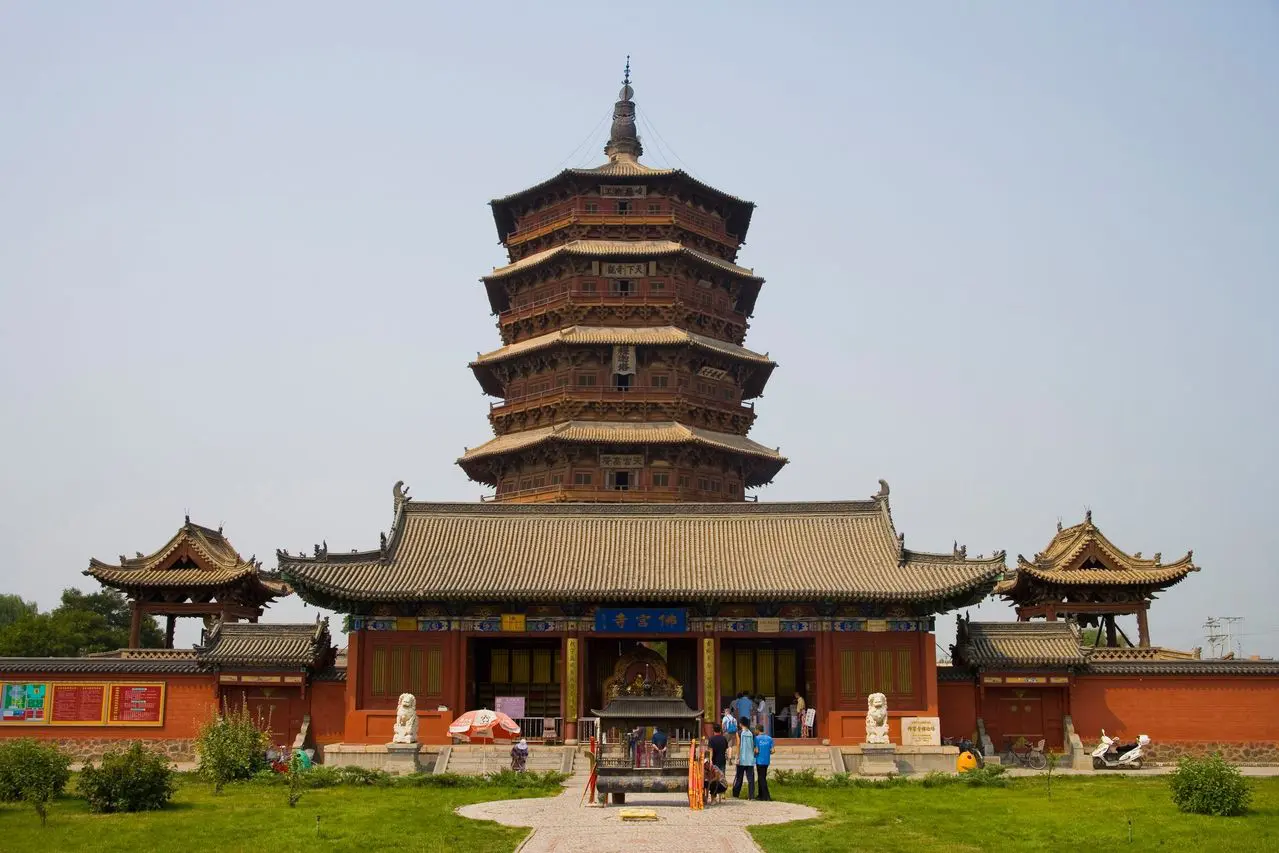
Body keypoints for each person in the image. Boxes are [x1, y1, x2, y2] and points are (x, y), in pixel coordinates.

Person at [731, 716, 756, 799]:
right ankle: (751, 796)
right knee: (751, 779)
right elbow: (754, 745)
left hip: (742, 758)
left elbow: (738, 744)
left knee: (739, 777)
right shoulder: (752, 733)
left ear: (740, 724)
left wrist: (737, 757)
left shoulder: (739, 733)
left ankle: (736, 795)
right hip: (750, 759)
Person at [753, 724, 774, 801]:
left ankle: (766, 796)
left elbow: (757, 750)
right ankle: (760, 795)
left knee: (761, 778)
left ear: (758, 730)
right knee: (762, 777)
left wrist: (754, 753)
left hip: (759, 760)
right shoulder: (769, 738)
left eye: (755, 730)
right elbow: (773, 750)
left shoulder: (756, 738)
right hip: (766, 760)